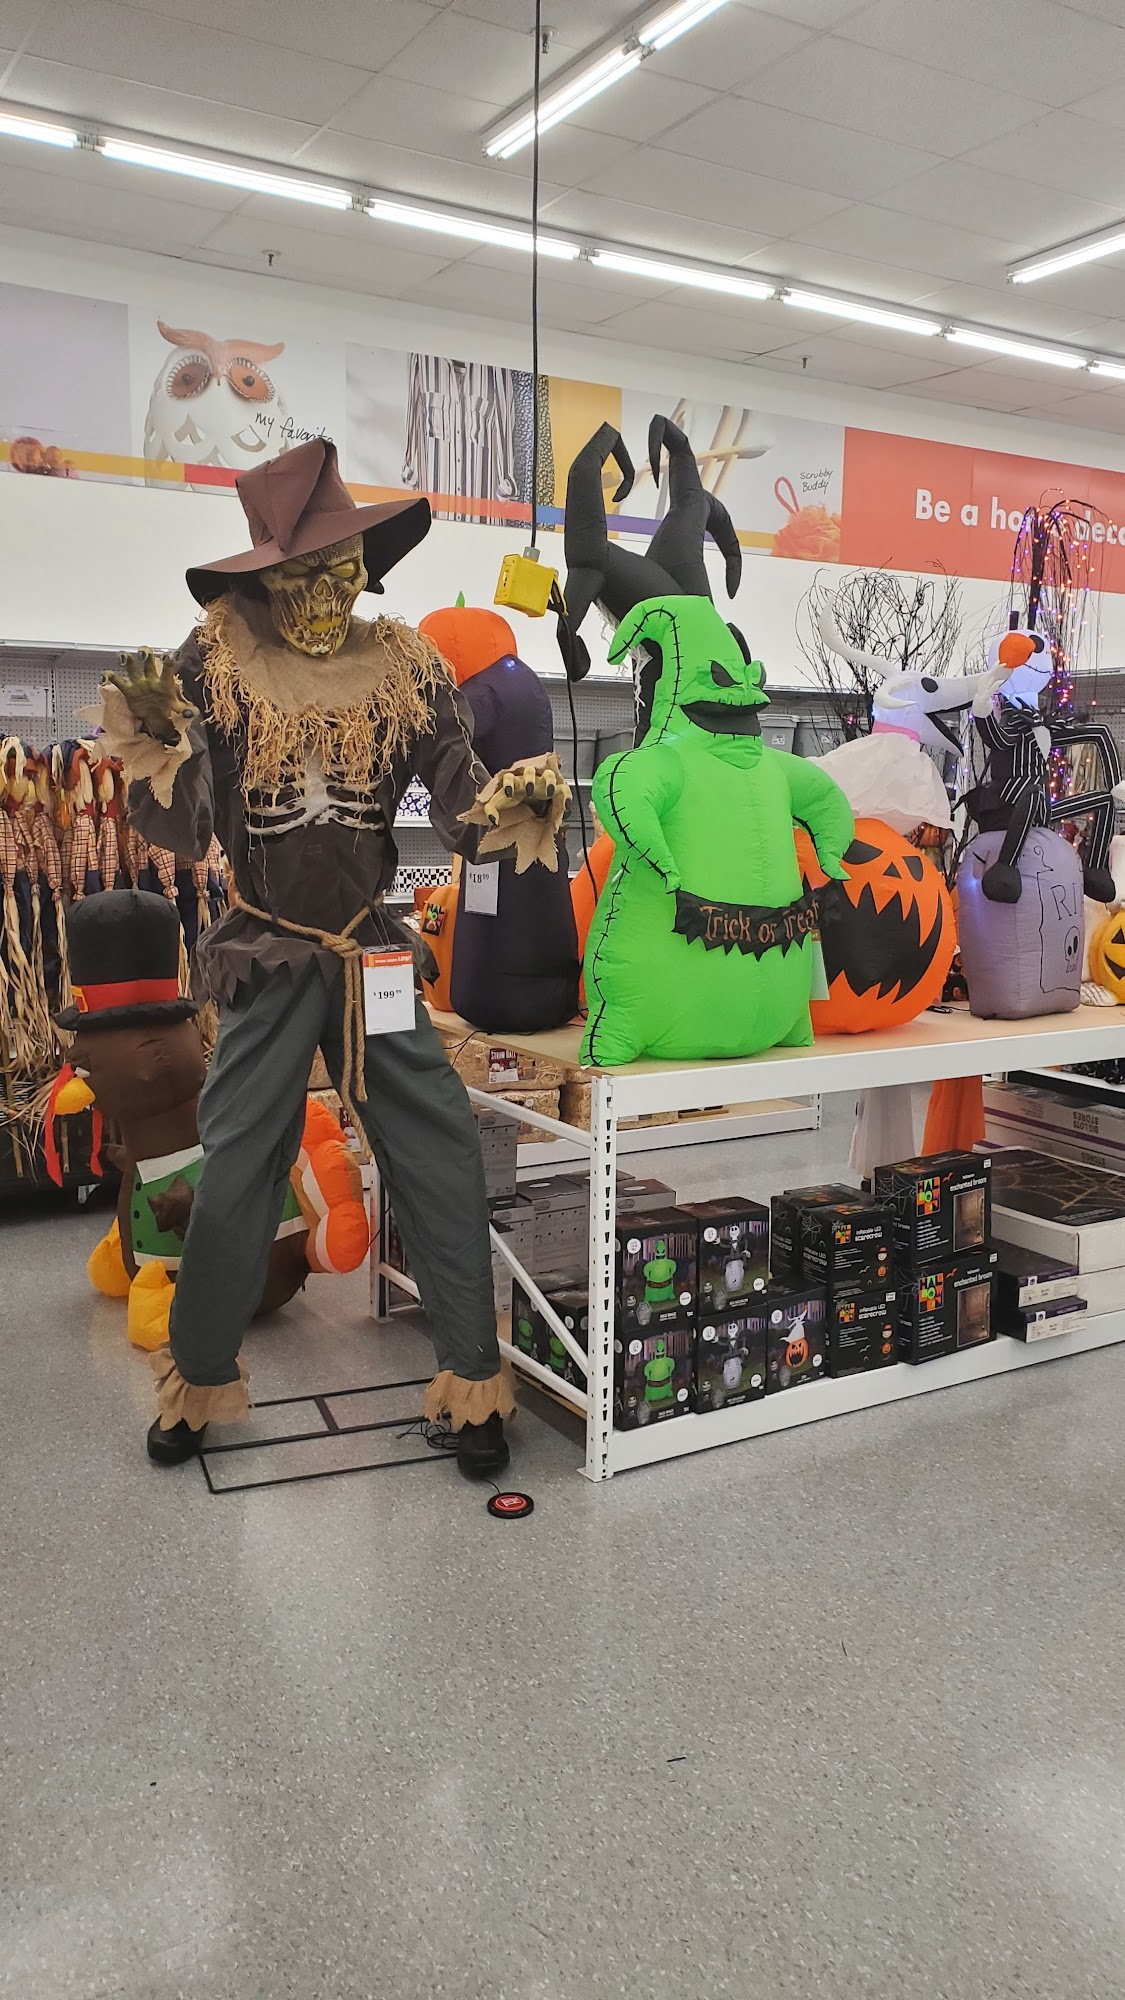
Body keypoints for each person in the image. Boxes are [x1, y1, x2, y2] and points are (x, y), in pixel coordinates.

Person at [99, 438, 567, 1480]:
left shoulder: (404, 665)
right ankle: (197, 1378)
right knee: (236, 1169)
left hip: (371, 956)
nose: (325, 595)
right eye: (304, 574)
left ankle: (472, 1377)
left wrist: (508, 801)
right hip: (267, 954)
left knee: (439, 1150)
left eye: (342, 570)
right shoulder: (213, 664)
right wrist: (159, 744)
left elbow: (458, 797)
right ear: (265, 576)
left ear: (366, 569)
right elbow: (182, 825)